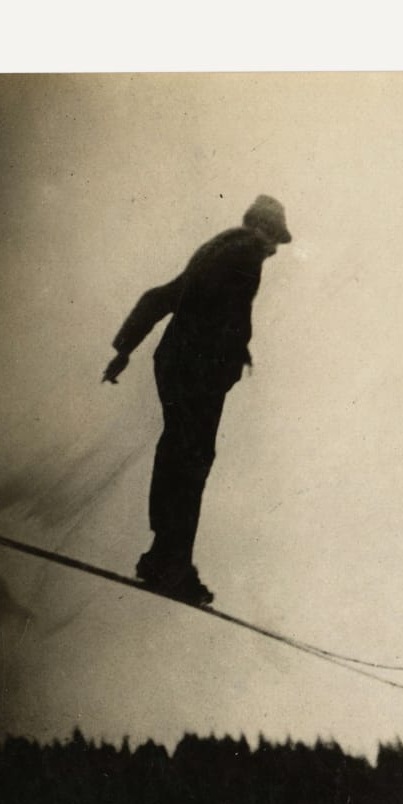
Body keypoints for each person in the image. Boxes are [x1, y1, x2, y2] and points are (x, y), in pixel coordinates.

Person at [103, 195, 292, 604]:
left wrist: (125, 348)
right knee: (191, 462)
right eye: (275, 238)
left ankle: (163, 556)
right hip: (196, 369)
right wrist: (236, 352)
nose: (275, 249)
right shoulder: (246, 253)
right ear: (262, 229)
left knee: (179, 454)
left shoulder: (216, 250)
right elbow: (232, 314)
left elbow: (165, 295)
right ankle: (171, 565)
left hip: (175, 363)